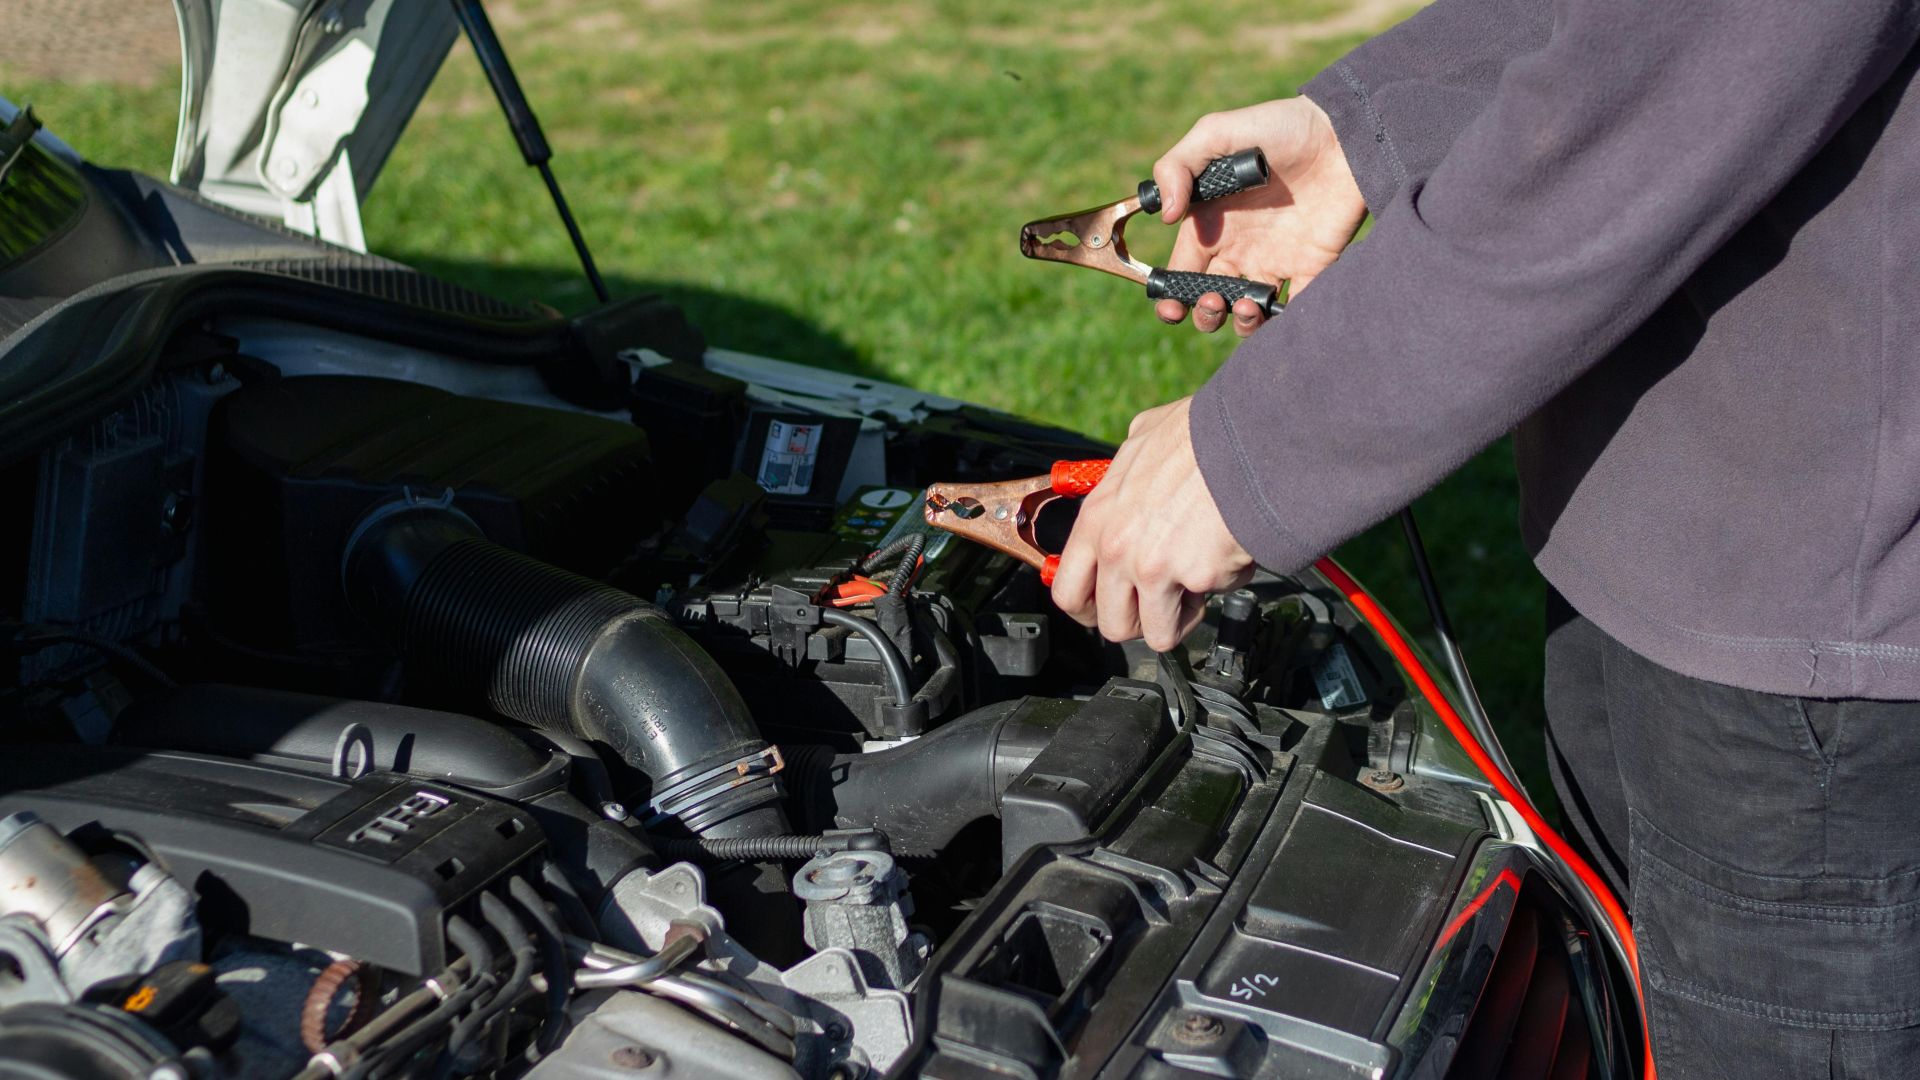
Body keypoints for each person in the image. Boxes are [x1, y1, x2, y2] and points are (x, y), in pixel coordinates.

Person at [1047, 0, 1920, 1074]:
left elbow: (1662, 96)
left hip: (1820, 632)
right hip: (1641, 528)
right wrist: (1369, 124)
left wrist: (1255, 446)